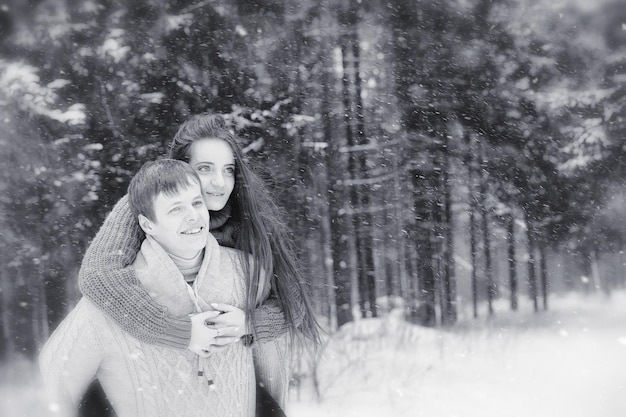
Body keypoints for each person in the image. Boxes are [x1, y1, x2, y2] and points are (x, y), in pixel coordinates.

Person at [77, 113, 321, 413]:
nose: (219, 182)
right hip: (146, 370)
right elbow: (98, 275)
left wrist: (249, 322)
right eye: (205, 169)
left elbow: (293, 300)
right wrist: (178, 330)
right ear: (182, 168)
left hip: (231, 371)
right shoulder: (147, 203)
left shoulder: (250, 215)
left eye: (228, 169)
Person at [40, 159, 258, 417]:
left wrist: (252, 323)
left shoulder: (248, 272)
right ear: (147, 225)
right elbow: (55, 374)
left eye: (197, 202)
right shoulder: (112, 299)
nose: (193, 215)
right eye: (176, 209)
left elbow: (282, 349)